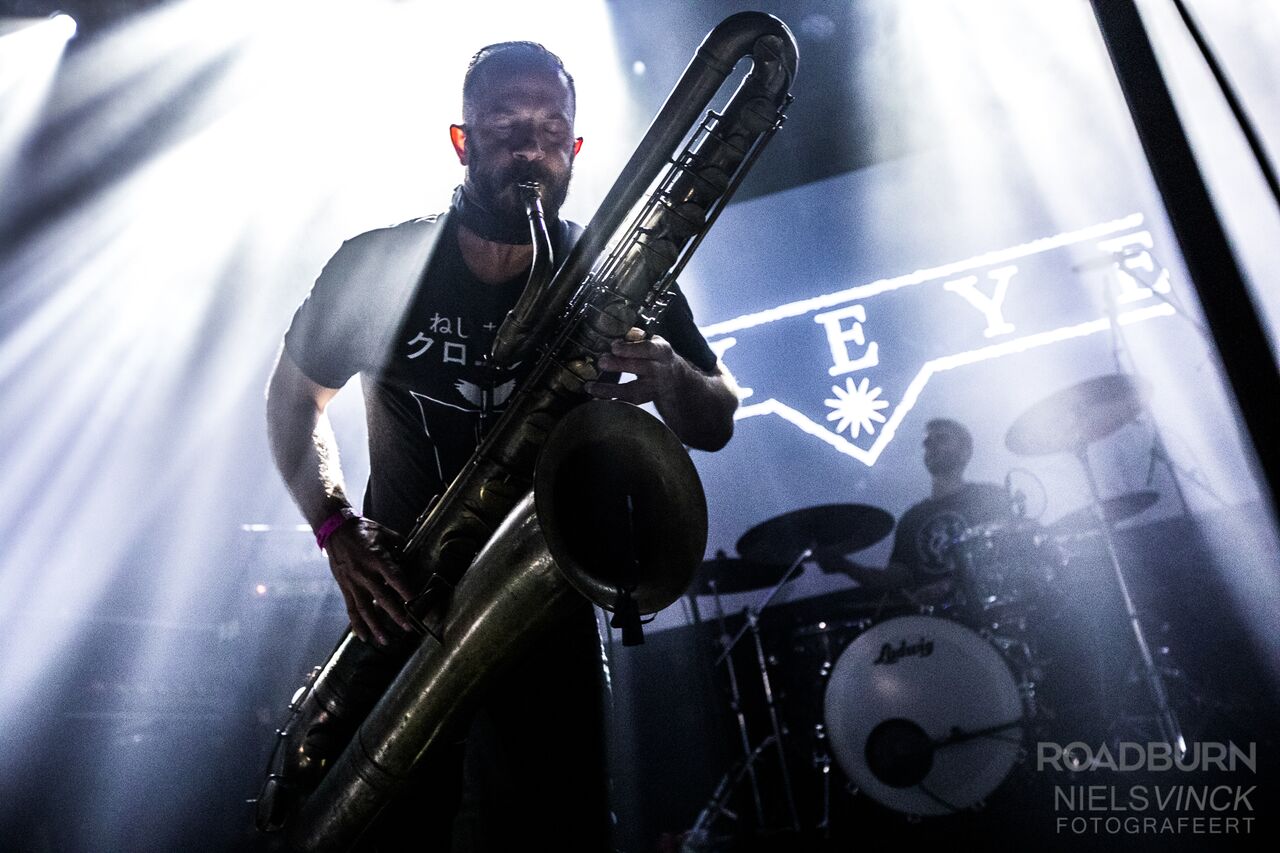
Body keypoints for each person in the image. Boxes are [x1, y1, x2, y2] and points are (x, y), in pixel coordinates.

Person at [265, 41, 737, 851]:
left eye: (551, 130)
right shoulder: (378, 264)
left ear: (575, 148)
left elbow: (718, 416)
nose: (530, 149)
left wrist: (669, 374)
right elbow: (291, 398)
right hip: (401, 596)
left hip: (544, 611)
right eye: (505, 125)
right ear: (462, 140)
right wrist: (335, 525)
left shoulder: (616, 270)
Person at [819, 418, 1012, 602]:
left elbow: (1010, 554)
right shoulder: (912, 519)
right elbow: (892, 578)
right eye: (927, 443)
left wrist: (952, 585)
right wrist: (845, 566)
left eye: (942, 439)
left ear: (965, 452)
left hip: (988, 608)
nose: (932, 446)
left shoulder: (988, 497)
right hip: (933, 621)